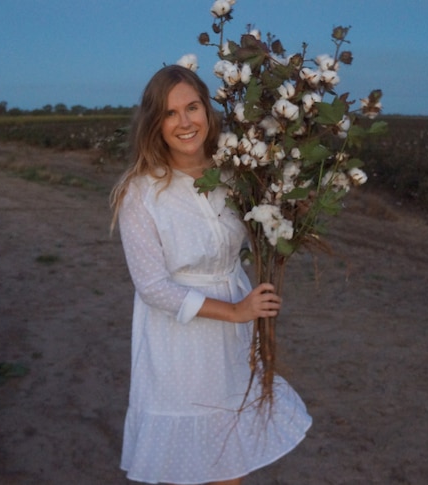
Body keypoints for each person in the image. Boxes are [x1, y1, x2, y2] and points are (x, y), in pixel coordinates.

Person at [110, 65, 312, 485]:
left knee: (229, 466)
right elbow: (152, 287)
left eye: (192, 107)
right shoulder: (141, 192)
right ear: (154, 123)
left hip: (235, 340)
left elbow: (258, 236)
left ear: (208, 110)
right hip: (179, 345)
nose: (185, 122)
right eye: (170, 114)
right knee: (191, 465)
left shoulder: (238, 175)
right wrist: (236, 310)